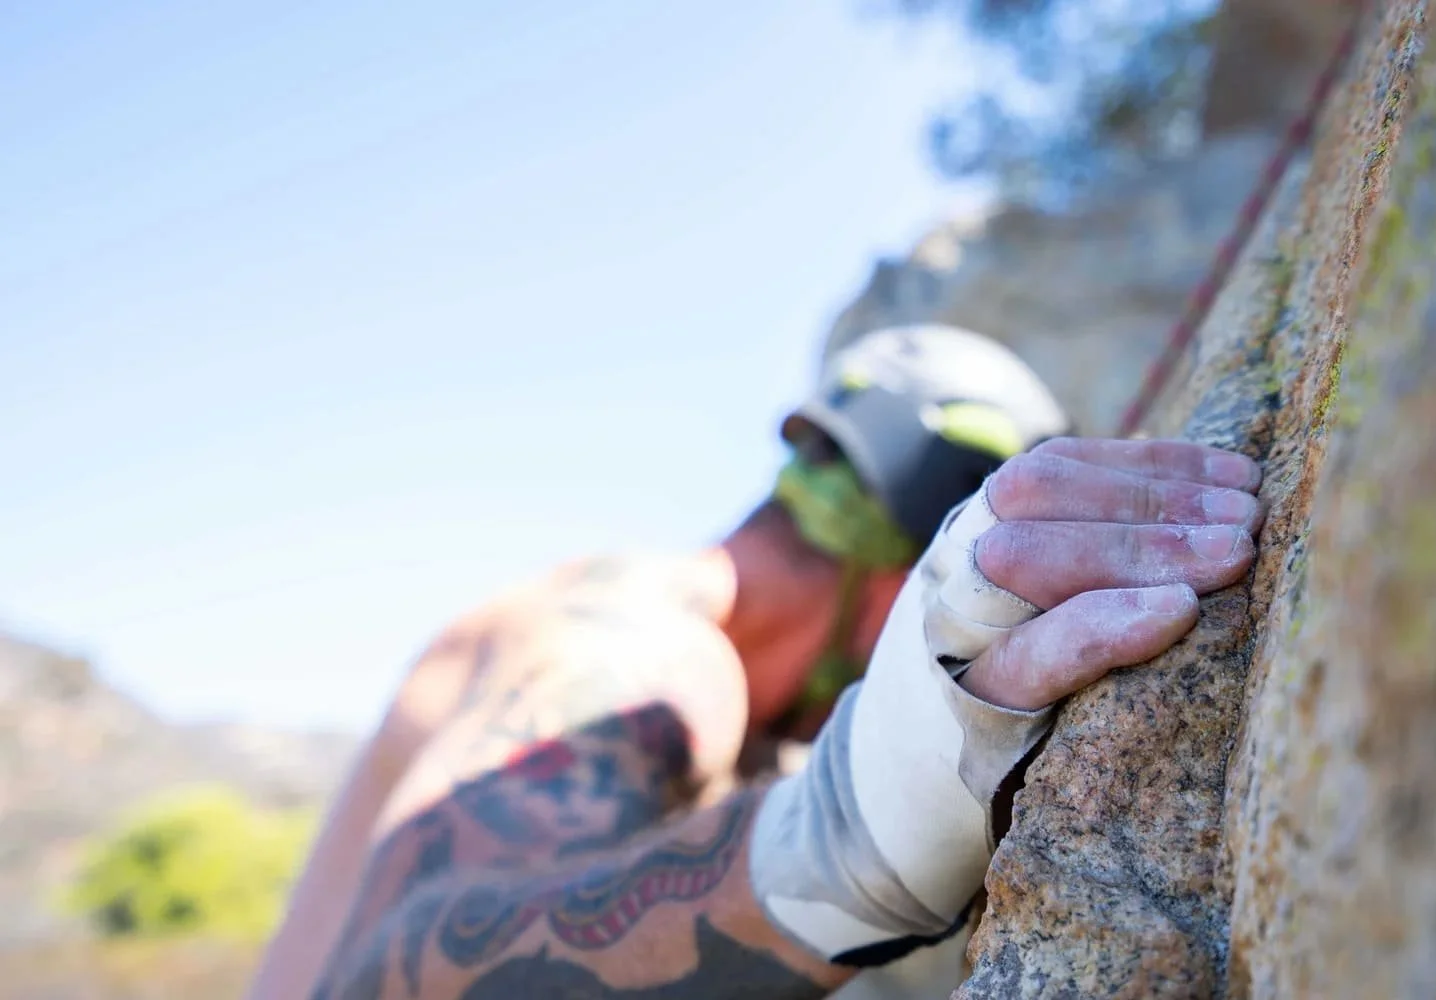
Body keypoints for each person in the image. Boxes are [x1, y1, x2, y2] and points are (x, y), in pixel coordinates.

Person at [247, 324, 1264, 1000]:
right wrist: (852, 833)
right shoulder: (650, 660)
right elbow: (380, 972)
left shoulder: (640, 624)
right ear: (903, 569)